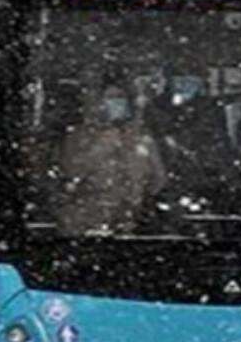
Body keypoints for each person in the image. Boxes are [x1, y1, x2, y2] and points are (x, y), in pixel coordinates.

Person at [53, 79, 166, 234]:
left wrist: (137, 199)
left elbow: (158, 179)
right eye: (111, 98)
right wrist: (100, 147)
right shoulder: (79, 136)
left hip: (131, 222)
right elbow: (69, 173)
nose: (117, 103)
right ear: (98, 102)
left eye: (120, 98)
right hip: (87, 223)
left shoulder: (140, 136)